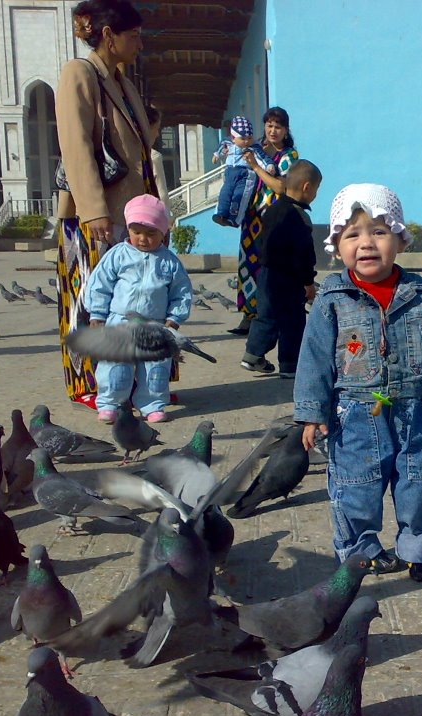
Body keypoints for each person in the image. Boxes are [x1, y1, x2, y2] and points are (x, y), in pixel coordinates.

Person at [294, 184, 422, 583]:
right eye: (352, 234)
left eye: (379, 231)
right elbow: (315, 360)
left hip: (420, 409)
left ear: (400, 239)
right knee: (355, 486)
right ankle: (361, 553)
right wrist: (311, 412)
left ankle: (421, 548)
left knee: (421, 481)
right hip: (357, 414)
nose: (366, 243)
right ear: (337, 244)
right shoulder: (331, 299)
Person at [55, 0, 161, 410]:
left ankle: (127, 382)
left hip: (131, 208)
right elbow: (76, 144)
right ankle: (88, 382)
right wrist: (93, 207)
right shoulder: (79, 73)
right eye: (132, 36)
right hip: (94, 212)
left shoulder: (121, 79)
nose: (139, 44)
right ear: (107, 35)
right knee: (90, 297)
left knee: (130, 299)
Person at [84, 194, 192, 424]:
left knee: (156, 368)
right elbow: (99, 285)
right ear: (128, 230)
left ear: (163, 233)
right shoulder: (117, 255)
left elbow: (181, 292)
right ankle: (110, 404)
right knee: (115, 366)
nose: (143, 239)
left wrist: (174, 318)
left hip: (155, 325)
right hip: (119, 322)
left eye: (151, 233)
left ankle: (152, 405)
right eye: (136, 232)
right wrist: (97, 314)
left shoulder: (169, 261)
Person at [241, 160, 322, 378]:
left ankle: (253, 354)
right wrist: (308, 281)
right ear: (307, 187)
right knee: (293, 320)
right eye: (316, 189)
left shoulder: (272, 209)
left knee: (266, 315)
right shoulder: (300, 216)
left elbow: (260, 242)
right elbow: (305, 254)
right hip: (290, 278)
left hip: (267, 274)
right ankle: (290, 364)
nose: (315, 194)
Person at [229, 106, 299, 336]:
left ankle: (267, 317)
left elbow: (281, 186)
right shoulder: (256, 147)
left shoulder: (289, 156)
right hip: (251, 217)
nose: (272, 130)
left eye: (278, 127)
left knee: (268, 267)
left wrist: (257, 167)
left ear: (286, 130)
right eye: (269, 125)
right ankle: (248, 317)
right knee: (247, 266)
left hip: (272, 219)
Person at [210, 116, 275, 229]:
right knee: (225, 193)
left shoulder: (253, 147)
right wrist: (216, 155)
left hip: (245, 174)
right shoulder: (229, 143)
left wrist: (269, 166)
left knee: (241, 196)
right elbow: (221, 146)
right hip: (230, 172)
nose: (246, 141)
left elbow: (262, 157)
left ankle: (235, 219)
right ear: (234, 137)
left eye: (249, 138)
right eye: (243, 138)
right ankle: (221, 213)